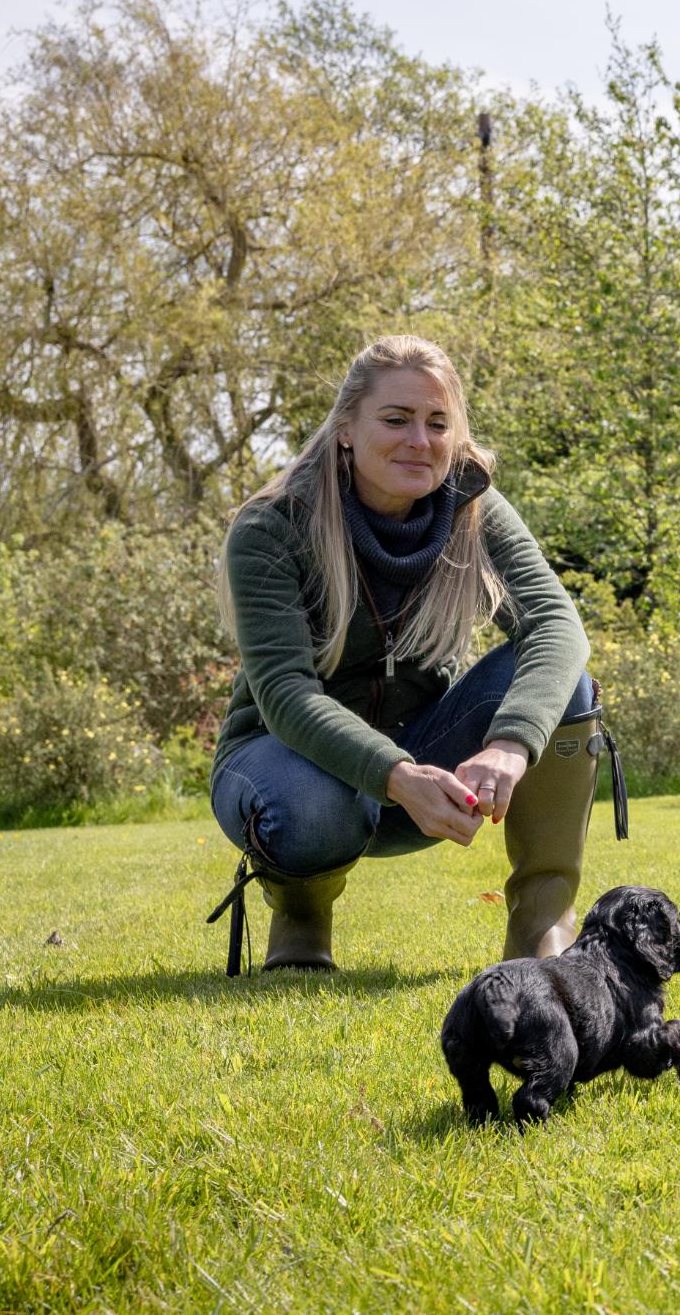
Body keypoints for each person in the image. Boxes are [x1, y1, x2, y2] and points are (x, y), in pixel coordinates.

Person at [209, 334, 604, 972]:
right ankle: (301, 915)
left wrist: (511, 743)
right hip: (290, 769)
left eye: (437, 423)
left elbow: (557, 625)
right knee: (312, 806)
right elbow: (285, 694)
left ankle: (542, 927)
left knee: (569, 684)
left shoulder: (472, 506)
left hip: (427, 767)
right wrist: (395, 775)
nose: (419, 440)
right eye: (396, 420)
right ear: (345, 429)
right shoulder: (273, 526)